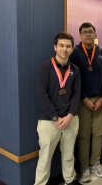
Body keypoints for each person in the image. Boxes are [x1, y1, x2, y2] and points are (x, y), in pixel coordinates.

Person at [34, 32, 81, 185]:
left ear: (72, 49)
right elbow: (42, 95)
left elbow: (76, 94)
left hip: (70, 119)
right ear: (55, 47)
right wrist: (55, 117)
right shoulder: (44, 68)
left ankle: (70, 179)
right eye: (61, 45)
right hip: (49, 121)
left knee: (68, 154)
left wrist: (70, 116)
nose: (64, 49)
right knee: (45, 157)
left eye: (68, 46)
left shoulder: (75, 69)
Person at [70, 22, 102, 183]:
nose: (88, 34)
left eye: (91, 32)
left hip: (101, 100)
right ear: (79, 35)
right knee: (83, 135)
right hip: (83, 101)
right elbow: (73, 79)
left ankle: (95, 163)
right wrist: (84, 98)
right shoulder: (74, 53)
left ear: (95, 34)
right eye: (85, 32)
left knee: (99, 134)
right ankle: (84, 168)